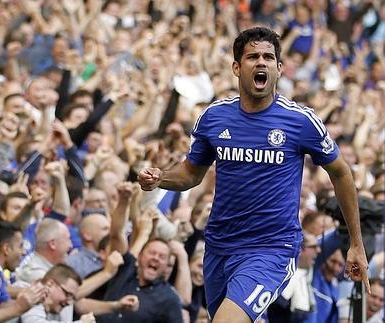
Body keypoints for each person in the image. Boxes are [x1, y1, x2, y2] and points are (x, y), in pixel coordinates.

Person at [138, 26, 370, 323]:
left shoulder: (300, 121)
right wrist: (160, 178)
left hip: (271, 249)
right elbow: (191, 174)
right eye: (252, 57)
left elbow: (341, 173)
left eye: (268, 57)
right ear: (237, 67)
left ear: (279, 68)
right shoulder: (214, 117)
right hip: (219, 246)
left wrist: (356, 243)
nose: (261, 62)